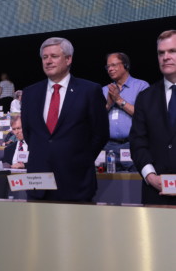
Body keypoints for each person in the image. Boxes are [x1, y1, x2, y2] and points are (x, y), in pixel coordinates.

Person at [21, 37, 109, 202]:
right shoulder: (30, 93)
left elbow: (100, 133)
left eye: (54, 56)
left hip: (76, 182)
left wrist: (80, 158)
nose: (48, 61)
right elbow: (29, 134)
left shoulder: (89, 91)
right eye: (45, 57)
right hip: (38, 183)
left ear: (68, 59)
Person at [130, 29, 176, 205]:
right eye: (161, 53)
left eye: (172, 51)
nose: (165, 57)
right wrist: (150, 176)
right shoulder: (145, 97)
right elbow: (137, 141)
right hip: (155, 193)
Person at [102, 52, 149, 172]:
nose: (110, 69)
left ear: (126, 65)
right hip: (108, 147)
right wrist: (108, 104)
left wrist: (118, 100)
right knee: (108, 186)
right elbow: (97, 118)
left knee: (134, 184)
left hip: (131, 145)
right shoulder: (104, 90)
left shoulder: (141, 86)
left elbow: (144, 115)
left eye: (114, 65)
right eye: (108, 67)